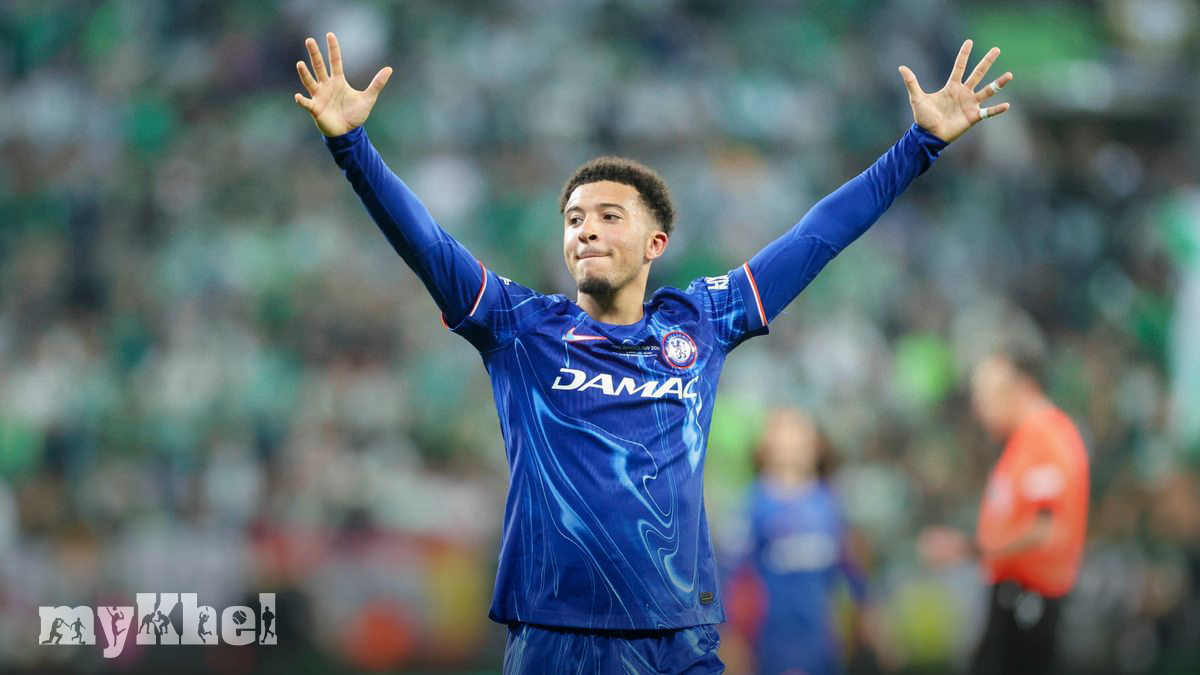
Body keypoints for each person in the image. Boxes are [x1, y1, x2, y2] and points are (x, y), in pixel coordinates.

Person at [294, 31, 1012, 673]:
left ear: (654, 243)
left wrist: (920, 145)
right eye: (574, 219)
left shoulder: (702, 320)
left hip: (678, 636)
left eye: (610, 216)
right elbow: (426, 244)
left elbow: (816, 236)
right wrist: (351, 147)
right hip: (556, 632)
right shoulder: (520, 327)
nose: (586, 230)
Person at [920, 350, 1090, 675]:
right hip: (1014, 598)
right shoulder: (1023, 440)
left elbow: (1045, 528)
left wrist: (967, 548)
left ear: (1022, 388)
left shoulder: (1045, 437)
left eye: (987, 396)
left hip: (1031, 601)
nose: (978, 408)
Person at [723, 408, 897, 675]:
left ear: (817, 446)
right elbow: (727, 577)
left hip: (823, 643)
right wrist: (729, 641)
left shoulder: (831, 505)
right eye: (783, 433)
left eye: (801, 434)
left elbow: (856, 573)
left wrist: (874, 622)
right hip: (772, 644)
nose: (793, 443)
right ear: (765, 447)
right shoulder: (753, 506)